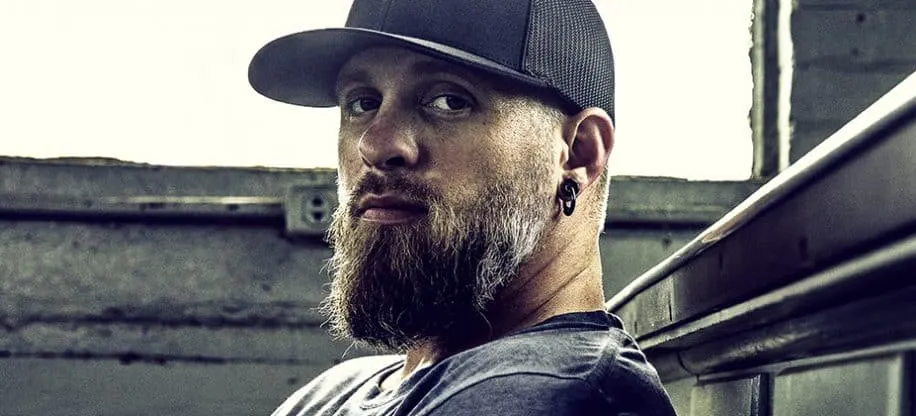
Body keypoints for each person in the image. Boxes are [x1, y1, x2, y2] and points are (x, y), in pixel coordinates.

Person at [248, 0, 678, 414]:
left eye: (449, 101)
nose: (375, 145)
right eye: (363, 102)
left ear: (579, 153)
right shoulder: (340, 390)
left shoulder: (548, 393)